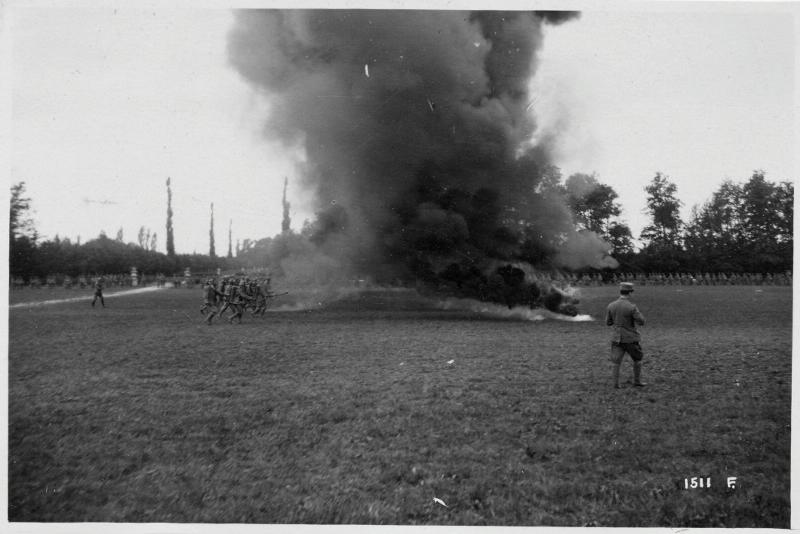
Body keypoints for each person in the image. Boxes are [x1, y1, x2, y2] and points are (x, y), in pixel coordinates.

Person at [606, 282, 646, 388]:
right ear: (630, 293)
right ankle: (637, 381)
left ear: (620, 291)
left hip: (616, 338)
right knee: (637, 359)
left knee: (616, 362)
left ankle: (615, 384)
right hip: (630, 338)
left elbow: (608, 322)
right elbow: (641, 321)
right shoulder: (631, 307)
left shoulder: (611, 305)